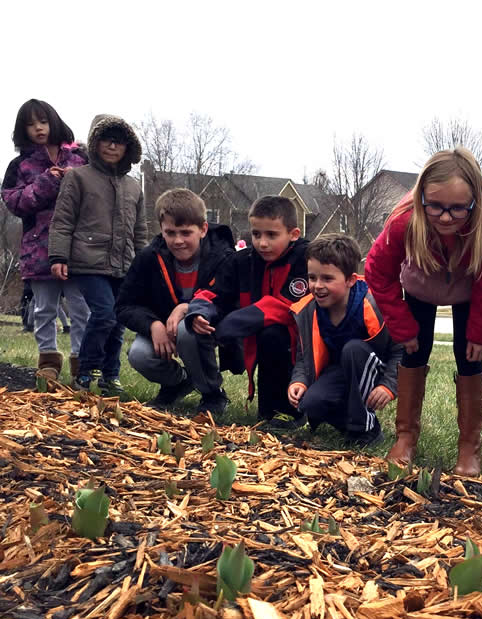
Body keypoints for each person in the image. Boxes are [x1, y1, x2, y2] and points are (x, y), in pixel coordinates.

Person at [365, 148, 482, 476]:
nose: (445, 217)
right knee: (415, 351)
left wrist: (480, 333)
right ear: (421, 199)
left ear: (475, 200)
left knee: (468, 355)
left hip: (469, 284)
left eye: (458, 208)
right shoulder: (404, 220)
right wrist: (402, 327)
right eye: (435, 206)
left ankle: (470, 447)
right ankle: (405, 438)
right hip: (421, 283)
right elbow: (377, 272)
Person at [186, 195, 310, 425]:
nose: (262, 243)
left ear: (293, 234)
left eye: (272, 235)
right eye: (256, 234)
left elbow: (290, 307)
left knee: (273, 333)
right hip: (257, 339)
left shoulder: (307, 258)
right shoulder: (241, 261)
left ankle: (292, 410)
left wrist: (235, 323)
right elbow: (213, 292)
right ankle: (215, 395)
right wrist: (199, 313)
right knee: (197, 329)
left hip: (303, 346)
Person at [48, 113, 147, 393]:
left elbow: (139, 230)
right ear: (94, 142)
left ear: (128, 147)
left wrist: (143, 265)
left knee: (118, 323)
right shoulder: (78, 177)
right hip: (87, 261)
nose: (113, 147)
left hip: (124, 264)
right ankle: (85, 370)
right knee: (104, 314)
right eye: (106, 140)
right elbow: (63, 220)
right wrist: (58, 257)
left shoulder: (133, 186)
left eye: (119, 142)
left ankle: (110, 375)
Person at [116, 189, 235, 415]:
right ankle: (177, 383)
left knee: (186, 328)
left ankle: (212, 393)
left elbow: (228, 298)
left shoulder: (223, 257)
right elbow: (124, 306)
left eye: (185, 232)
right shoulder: (148, 258)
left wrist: (189, 309)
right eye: (170, 233)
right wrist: (153, 325)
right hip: (163, 328)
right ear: (161, 230)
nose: (178, 240)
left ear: (203, 229)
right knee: (139, 355)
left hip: (207, 326)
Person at [2, 99, 90, 381]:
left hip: (78, 247)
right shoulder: (20, 165)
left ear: (53, 121)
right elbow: (13, 201)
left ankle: (82, 364)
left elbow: (97, 195)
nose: (38, 128)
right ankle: (48, 362)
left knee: (81, 307)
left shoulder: (80, 158)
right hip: (38, 248)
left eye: (42, 121)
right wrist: (46, 181)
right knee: (44, 309)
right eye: (30, 124)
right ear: (22, 130)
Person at [288, 234, 402, 446]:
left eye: (327, 279)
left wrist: (388, 386)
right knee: (309, 404)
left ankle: (366, 430)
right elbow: (304, 355)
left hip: (373, 367)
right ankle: (350, 421)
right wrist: (300, 380)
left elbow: (401, 350)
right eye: (312, 278)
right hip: (339, 370)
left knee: (353, 349)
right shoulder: (308, 310)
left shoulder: (374, 305)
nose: (317, 286)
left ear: (350, 279)